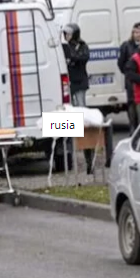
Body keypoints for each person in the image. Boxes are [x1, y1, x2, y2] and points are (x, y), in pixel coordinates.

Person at [62, 23, 92, 173]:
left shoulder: (82, 45)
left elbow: (83, 57)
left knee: (82, 109)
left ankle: (87, 152)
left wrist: (73, 58)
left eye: (68, 33)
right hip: (69, 84)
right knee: (68, 113)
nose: (66, 36)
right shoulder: (64, 46)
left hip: (79, 83)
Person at [117, 22, 140, 132]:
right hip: (131, 81)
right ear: (132, 33)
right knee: (132, 104)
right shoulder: (126, 46)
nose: (138, 35)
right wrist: (128, 73)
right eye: (136, 32)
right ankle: (133, 128)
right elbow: (121, 63)